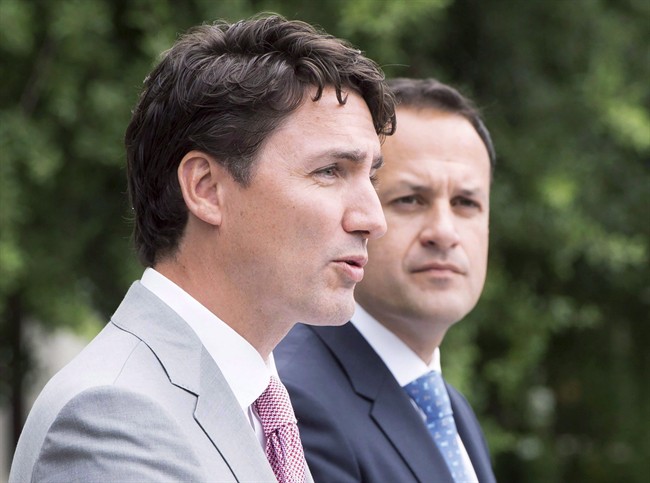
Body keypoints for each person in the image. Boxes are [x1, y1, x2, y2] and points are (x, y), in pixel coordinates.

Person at [9, 14, 395, 483]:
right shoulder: (115, 416)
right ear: (207, 188)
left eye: (370, 177)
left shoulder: (254, 402)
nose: (373, 219)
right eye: (330, 171)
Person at [276, 77, 497, 483]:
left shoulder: (450, 409)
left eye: (466, 203)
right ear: (359, 212)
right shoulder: (294, 399)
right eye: (410, 200)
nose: (444, 232)